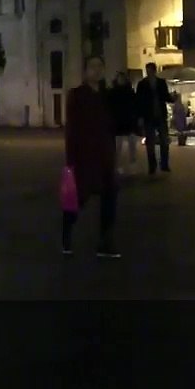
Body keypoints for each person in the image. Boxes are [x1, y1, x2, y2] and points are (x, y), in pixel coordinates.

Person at [62, 55, 119, 258]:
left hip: (104, 155)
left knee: (110, 197)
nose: (96, 70)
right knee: (78, 199)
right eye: (92, 67)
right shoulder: (76, 95)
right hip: (84, 157)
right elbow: (72, 129)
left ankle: (105, 242)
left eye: (100, 66)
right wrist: (71, 161)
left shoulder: (106, 96)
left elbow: (114, 124)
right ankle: (66, 233)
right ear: (85, 71)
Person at [135, 62, 171, 175]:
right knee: (150, 143)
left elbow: (165, 96)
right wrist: (140, 116)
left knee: (164, 141)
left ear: (154, 71)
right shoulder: (142, 84)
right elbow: (139, 101)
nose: (149, 72)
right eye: (148, 70)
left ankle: (163, 164)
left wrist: (172, 98)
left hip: (159, 115)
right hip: (149, 116)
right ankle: (153, 165)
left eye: (150, 70)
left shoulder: (161, 82)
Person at [108, 72, 139, 163]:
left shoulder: (129, 91)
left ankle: (132, 163)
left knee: (131, 144)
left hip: (128, 120)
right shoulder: (113, 92)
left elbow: (134, 105)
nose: (121, 80)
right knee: (118, 145)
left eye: (122, 79)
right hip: (118, 121)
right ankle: (116, 164)